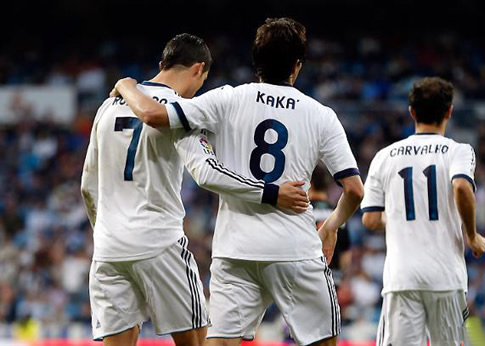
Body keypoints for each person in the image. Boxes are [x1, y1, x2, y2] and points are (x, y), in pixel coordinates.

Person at [111, 18, 364, 346]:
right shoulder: (320, 114)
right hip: (296, 250)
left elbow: (158, 116)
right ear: (297, 66)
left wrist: (127, 86)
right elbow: (354, 190)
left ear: (256, 62)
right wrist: (331, 225)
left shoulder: (227, 99)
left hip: (235, 251)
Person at [80, 33, 308, 346]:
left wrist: (106, 231)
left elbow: (87, 187)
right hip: (159, 243)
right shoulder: (179, 110)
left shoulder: (106, 109)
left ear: (163, 63)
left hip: (108, 249)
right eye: (201, 82)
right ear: (199, 69)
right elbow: (207, 172)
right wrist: (271, 192)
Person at [360, 77, 485, 346]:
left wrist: (400, 218)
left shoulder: (385, 155)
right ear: (450, 112)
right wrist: (472, 235)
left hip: (401, 277)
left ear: (412, 112)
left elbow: (370, 219)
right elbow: (463, 187)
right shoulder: (459, 151)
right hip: (446, 277)